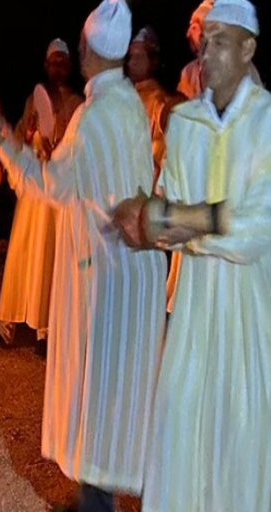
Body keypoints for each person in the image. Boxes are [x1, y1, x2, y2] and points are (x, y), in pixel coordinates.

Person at [0, 1, 167, 510]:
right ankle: (100, 494)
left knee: (98, 398)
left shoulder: (94, 117)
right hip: (130, 272)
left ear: (90, 49)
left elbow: (52, 184)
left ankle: (96, 501)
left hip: (106, 279)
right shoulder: (129, 105)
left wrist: (5, 141)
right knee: (114, 398)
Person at [114, 2, 271, 511]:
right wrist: (148, 224)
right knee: (180, 428)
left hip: (252, 315)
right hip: (194, 311)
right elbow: (167, 220)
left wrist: (182, 221)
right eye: (204, 40)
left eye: (221, 41)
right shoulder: (183, 126)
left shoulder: (267, 124)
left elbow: (256, 231)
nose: (207, 52)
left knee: (243, 439)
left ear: (248, 49)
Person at [0, 39, 83, 347]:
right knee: (26, 253)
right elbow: (20, 138)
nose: (58, 66)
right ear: (46, 65)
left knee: (51, 257)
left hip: (56, 190)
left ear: (69, 66)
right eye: (53, 61)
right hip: (34, 190)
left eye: (63, 61)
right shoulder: (35, 99)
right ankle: (14, 317)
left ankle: (46, 328)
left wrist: (55, 150)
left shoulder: (77, 103)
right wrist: (30, 135)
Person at [127, 26, 184, 184]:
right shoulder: (126, 96)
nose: (133, 62)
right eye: (131, 56)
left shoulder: (160, 102)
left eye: (139, 56)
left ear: (153, 62)